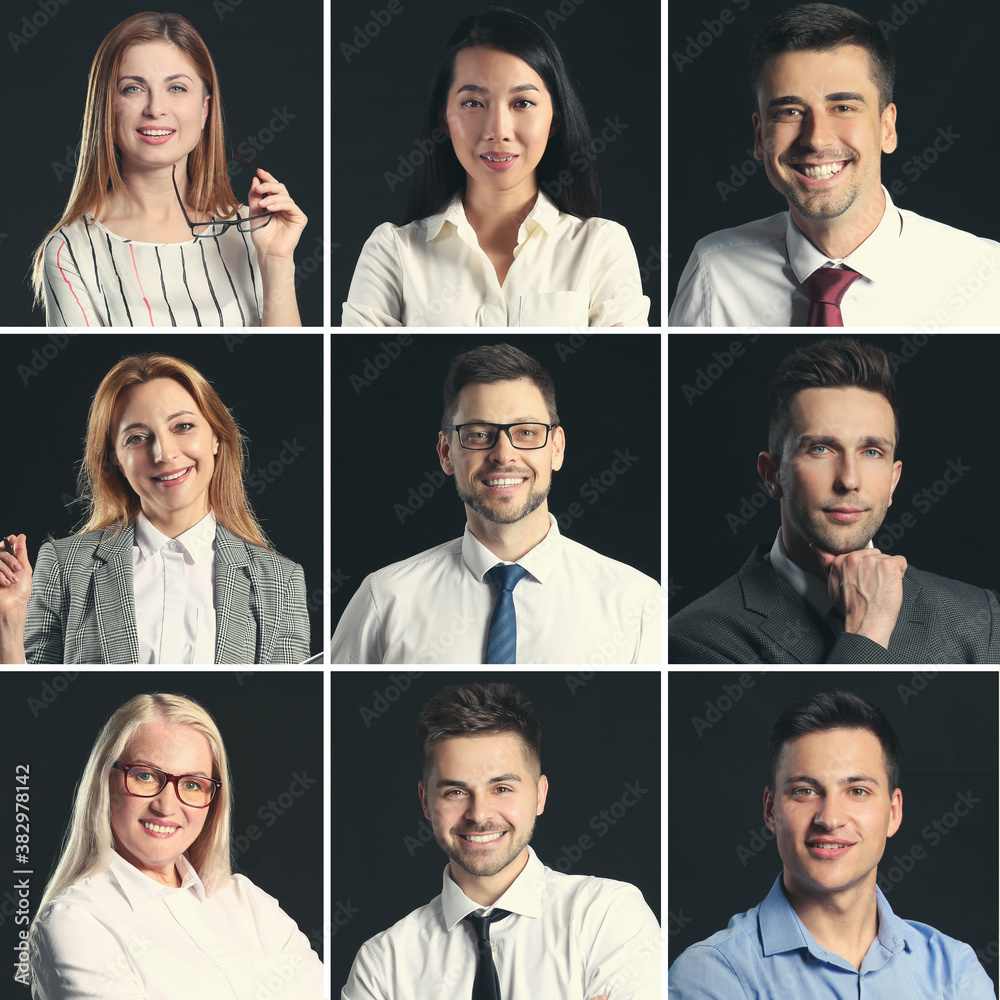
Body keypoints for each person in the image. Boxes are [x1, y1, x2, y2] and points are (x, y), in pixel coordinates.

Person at [668, 338, 999, 663]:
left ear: (893, 480)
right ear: (772, 475)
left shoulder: (978, 619)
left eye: (871, 452)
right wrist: (868, 629)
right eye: (821, 449)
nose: (849, 480)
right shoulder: (698, 637)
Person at [669, 3, 1000, 327]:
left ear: (887, 128)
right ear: (759, 136)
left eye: (843, 107)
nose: (816, 139)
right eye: (789, 112)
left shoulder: (986, 276)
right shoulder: (713, 270)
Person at [330, 343, 660, 663]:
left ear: (556, 448)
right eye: (478, 434)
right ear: (446, 453)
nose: (503, 455)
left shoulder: (636, 603)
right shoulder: (385, 597)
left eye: (527, 433)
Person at [342, 682, 660, 999]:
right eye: (455, 792)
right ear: (425, 802)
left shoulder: (609, 915)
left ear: (539, 794)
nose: (479, 815)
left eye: (502, 789)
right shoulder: (382, 964)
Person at [668, 689, 995, 998]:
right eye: (805, 791)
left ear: (893, 813)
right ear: (771, 810)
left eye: (857, 791)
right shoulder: (714, 972)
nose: (830, 818)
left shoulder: (953, 968)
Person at [342, 8, 649, 327]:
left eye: (522, 103)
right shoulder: (394, 250)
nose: (498, 130)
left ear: (555, 118)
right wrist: (282, 260)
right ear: (443, 118)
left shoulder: (601, 245)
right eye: (473, 103)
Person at [0, 353, 310, 664]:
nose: (164, 453)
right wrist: (7, 623)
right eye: (136, 438)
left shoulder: (281, 581)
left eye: (183, 426)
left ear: (216, 436)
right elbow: (29, 696)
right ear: (117, 461)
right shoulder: (65, 565)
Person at [26, 692, 323, 998]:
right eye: (145, 776)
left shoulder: (247, 901)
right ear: (105, 781)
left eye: (192, 784)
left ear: (214, 801)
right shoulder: (75, 921)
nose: (166, 806)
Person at [32, 12, 307, 327]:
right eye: (132, 89)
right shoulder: (70, 251)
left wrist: (277, 261)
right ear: (105, 107)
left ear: (205, 109)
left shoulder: (256, 231)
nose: (155, 108)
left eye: (176, 88)